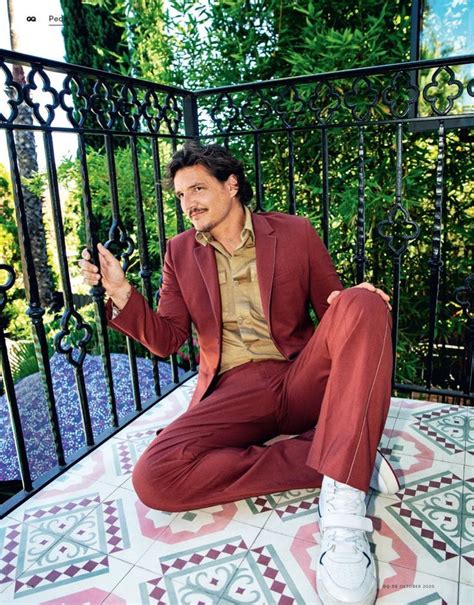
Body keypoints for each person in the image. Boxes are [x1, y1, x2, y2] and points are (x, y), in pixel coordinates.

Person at [80, 142, 398, 605]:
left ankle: (344, 513)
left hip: (299, 374)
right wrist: (123, 293)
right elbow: (168, 339)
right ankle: (346, 458)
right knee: (156, 476)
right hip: (233, 388)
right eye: (180, 195)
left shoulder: (294, 232)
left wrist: (355, 303)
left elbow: (333, 304)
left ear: (231, 185)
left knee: (364, 301)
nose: (188, 202)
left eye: (197, 188)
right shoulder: (179, 252)